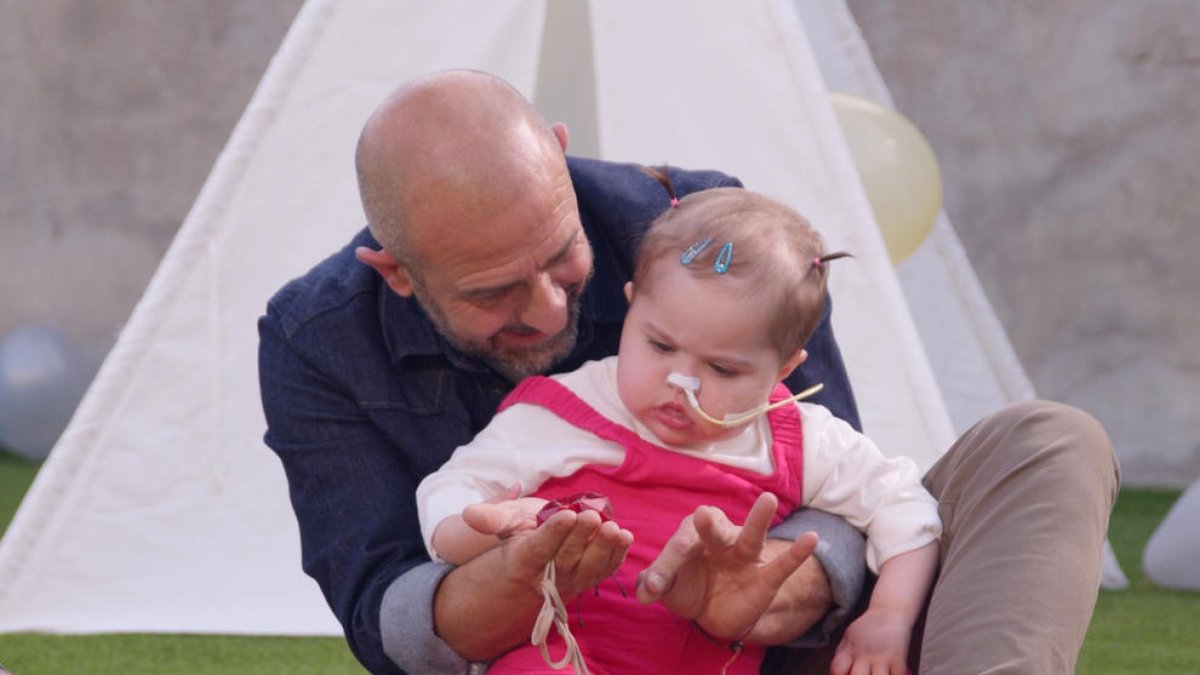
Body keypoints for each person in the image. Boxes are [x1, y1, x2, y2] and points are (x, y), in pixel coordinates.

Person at [258, 69, 1120, 675]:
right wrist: (510, 574)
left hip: (781, 652)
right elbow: (384, 618)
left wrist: (778, 585)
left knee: (1048, 441)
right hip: (559, 649)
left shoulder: (699, 227)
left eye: (563, 257)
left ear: (559, 156)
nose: (552, 310)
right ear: (397, 273)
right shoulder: (316, 341)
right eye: (495, 294)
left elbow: (838, 482)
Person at [416, 179, 941, 674]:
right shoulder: (560, 413)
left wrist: (888, 617)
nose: (681, 382)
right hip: (559, 657)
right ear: (630, 310)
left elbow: (905, 508)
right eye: (660, 345)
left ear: (784, 369)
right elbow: (449, 490)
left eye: (722, 369)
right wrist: (486, 525)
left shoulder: (794, 438)